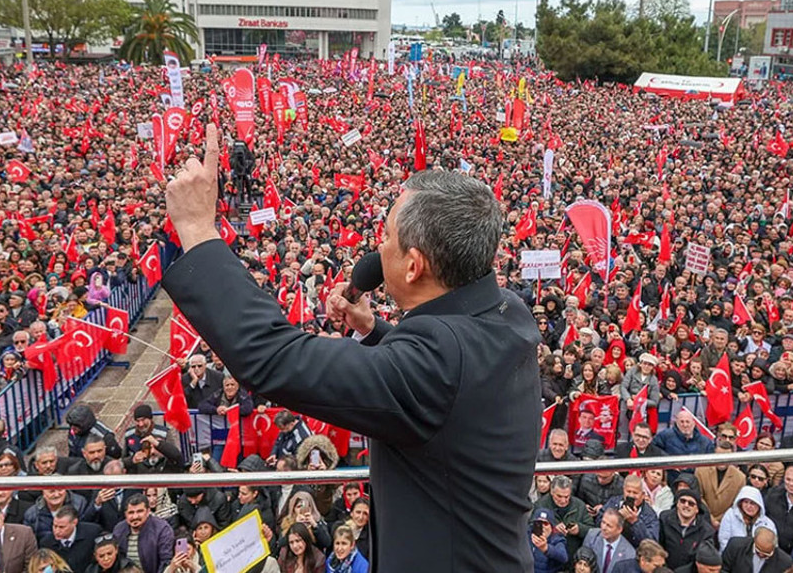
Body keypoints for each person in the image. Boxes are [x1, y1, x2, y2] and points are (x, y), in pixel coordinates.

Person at [165, 153, 541, 573]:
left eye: (387, 237)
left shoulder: (436, 362)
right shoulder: (507, 310)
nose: (379, 247)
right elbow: (449, 385)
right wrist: (374, 332)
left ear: (414, 266)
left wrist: (197, 228)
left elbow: (273, 357)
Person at [112, 494, 173, 573]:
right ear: (125, 514)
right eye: (131, 512)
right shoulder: (119, 529)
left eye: (139, 511)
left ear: (148, 511)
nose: (135, 516)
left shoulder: (162, 529)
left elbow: (165, 561)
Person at [657, 489, 714, 570]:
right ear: (677, 504)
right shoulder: (664, 519)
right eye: (683, 501)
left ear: (697, 509)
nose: (686, 505)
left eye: (691, 503)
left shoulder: (706, 531)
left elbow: (702, 559)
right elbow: (658, 546)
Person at [40, 507, 103, 573]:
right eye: (55, 526)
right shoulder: (47, 543)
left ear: (74, 523)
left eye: (62, 527)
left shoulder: (93, 533)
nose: (57, 531)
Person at [581, 508, 635, 573]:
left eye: (609, 526)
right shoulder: (592, 536)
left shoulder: (629, 553)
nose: (604, 528)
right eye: (603, 522)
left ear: (619, 529)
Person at [719, 527, 791, 573]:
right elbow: (723, 569)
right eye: (758, 551)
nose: (761, 555)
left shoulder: (784, 562)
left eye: (766, 555)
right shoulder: (736, 546)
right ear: (754, 540)